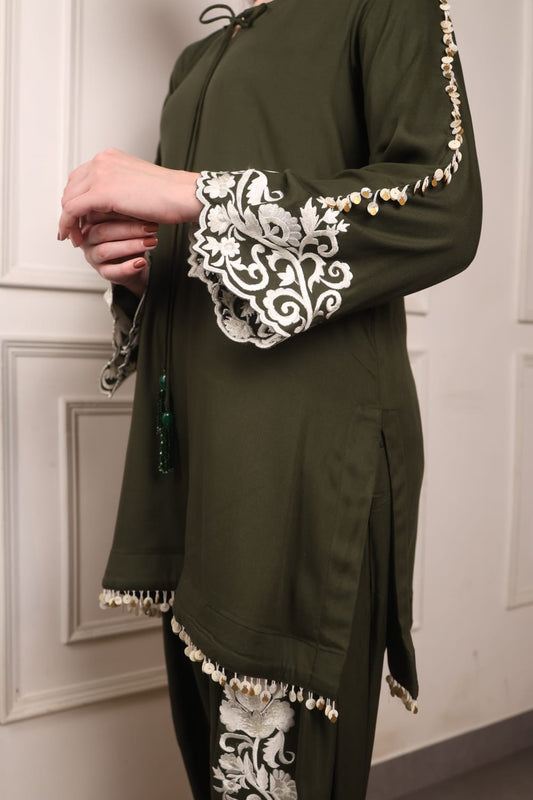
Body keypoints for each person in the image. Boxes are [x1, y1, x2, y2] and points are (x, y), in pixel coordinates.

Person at [58, 0, 482, 797]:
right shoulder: (194, 64)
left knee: (283, 772)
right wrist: (139, 266)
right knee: (213, 763)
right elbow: (209, 254)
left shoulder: (383, 8)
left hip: (302, 447)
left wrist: (193, 193)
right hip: (191, 456)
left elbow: (440, 206)